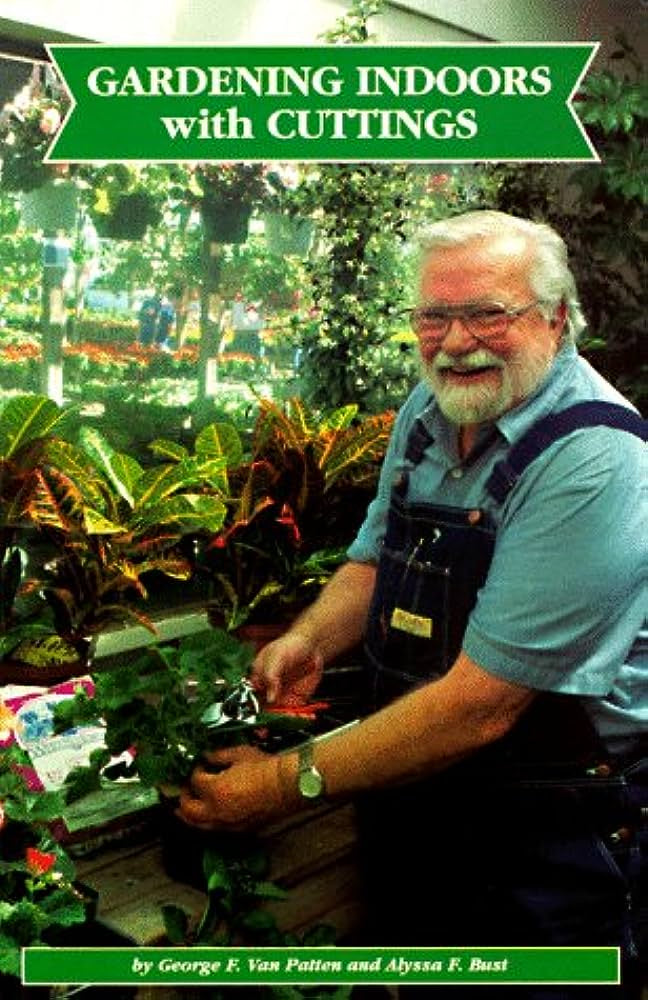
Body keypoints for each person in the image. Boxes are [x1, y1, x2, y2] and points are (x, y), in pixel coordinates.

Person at [178, 211, 647, 998]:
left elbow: (480, 708)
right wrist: (309, 642)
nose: (456, 341)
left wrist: (275, 785)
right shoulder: (431, 413)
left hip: (555, 832)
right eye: (434, 315)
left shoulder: (597, 460)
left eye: (487, 313)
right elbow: (372, 560)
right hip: (424, 795)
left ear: (558, 317)